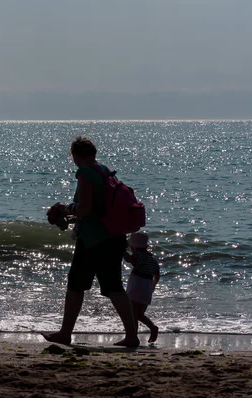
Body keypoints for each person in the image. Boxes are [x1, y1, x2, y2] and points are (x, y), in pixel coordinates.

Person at [41, 136, 139, 347]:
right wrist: (73, 213)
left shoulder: (85, 173)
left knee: (76, 285)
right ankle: (132, 335)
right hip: (114, 236)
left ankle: (65, 333)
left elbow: (85, 208)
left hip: (93, 239)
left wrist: (66, 210)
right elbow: (97, 209)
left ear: (76, 156)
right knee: (114, 287)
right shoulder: (103, 171)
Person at [123, 231, 160, 344]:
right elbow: (157, 274)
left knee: (133, 315)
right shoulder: (152, 259)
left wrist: (121, 250)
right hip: (147, 289)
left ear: (133, 247)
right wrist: (153, 285)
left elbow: (129, 260)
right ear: (147, 246)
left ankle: (133, 337)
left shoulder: (137, 256)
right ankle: (150, 328)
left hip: (136, 288)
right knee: (138, 314)